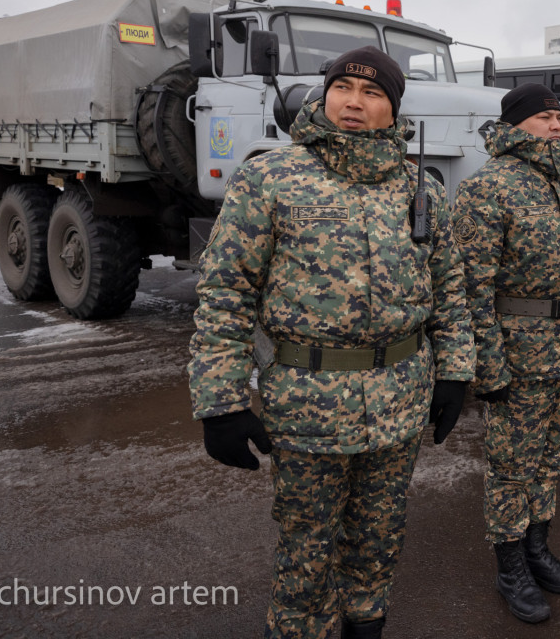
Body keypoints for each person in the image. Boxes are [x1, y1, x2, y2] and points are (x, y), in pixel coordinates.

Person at [188, 46, 476, 639]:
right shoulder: (271, 176)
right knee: (307, 545)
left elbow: (449, 289)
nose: (354, 101)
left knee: (380, 534)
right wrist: (220, 402)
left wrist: (456, 372)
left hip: (400, 401)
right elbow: (225, 294)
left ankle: (366, 624)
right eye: (343, 86)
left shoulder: (420, 189)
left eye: (373, 93)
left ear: (393, 111)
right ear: (324, 96)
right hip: (307, 405)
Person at [452, 83, 560, 624]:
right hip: (519, 353)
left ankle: (539, 550)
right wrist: (487, 365)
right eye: (544, 118)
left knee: (550, 460)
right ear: (515, 125)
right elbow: (471, 289)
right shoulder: (487, 190)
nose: (558, 126)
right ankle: (511, 564)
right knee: (512, 467)